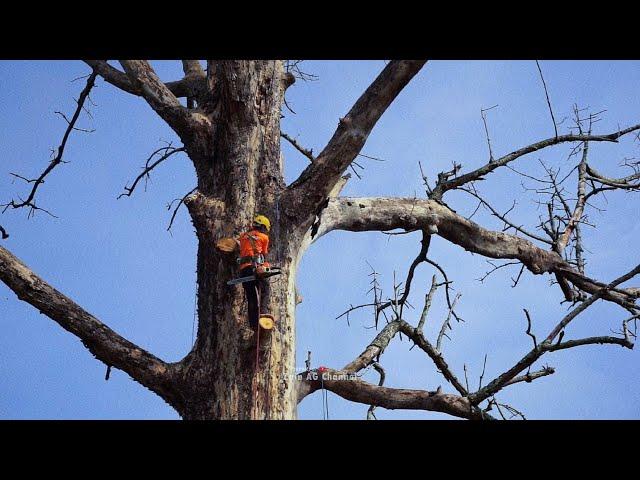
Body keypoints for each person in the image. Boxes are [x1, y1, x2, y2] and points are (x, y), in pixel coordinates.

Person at [237, 215, 273, 329]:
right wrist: (266, 266)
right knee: (265, 289)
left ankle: (253, 325)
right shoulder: (264, 238)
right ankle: (263, 314)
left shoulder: (242, 237)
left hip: (244, 270)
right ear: (263, 227)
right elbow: (264, 256)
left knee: (251, 297)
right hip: (255, 268)